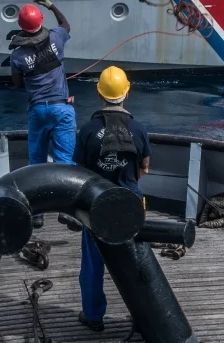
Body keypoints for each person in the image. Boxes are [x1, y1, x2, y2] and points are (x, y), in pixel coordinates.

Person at [72, 66, 152, 333]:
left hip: (97, 207)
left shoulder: (87, 131)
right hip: (131, 206)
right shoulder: (139, 129)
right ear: (127, 93)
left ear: (99, 94)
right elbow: (145, 168)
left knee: (92, 266)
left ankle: (93, 316)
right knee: (136, 263)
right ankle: (144, 317)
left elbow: (80, 172)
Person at [10, 0, 75, 228]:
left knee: (36, 162)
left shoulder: (17, 55)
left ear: (20, 26)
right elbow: (66, 25)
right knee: (64, 161)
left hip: (38, 110)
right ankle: (66, 210)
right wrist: (51, 5)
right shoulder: (56, 37)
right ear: (41, 21)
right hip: (61, 108)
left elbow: (17, 84)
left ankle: (37, 213)